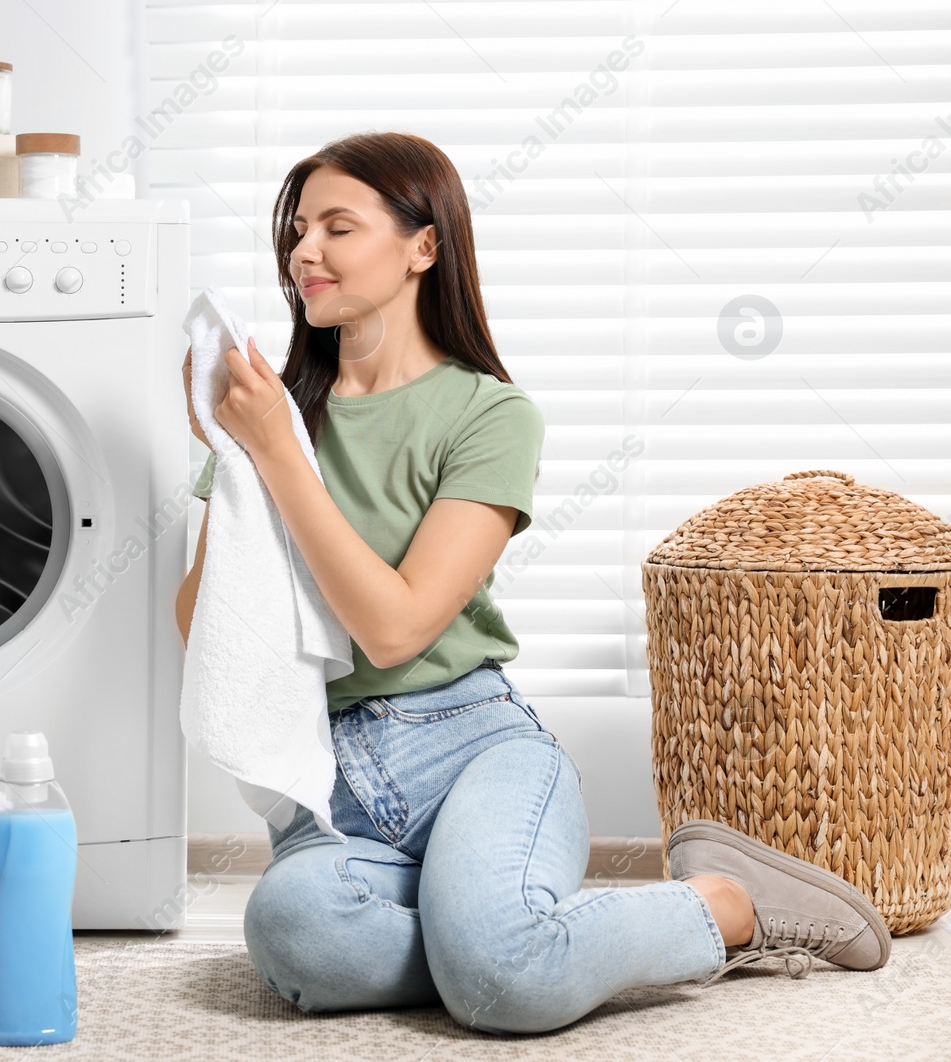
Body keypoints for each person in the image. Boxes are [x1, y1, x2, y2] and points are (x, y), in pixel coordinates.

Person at [173, 131, 890, 1035]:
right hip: (331, 778)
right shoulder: (274, 415)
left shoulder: (488, 413)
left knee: (502, 987)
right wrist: (234, 469)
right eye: (298, 230)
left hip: (474, 749)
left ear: (422, 247)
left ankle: (727, 903)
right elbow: (207, 627)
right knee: (296, 931)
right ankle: (496, 935)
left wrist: (278, 455)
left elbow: (396, 630)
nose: (302, 252)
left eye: (337, 227)